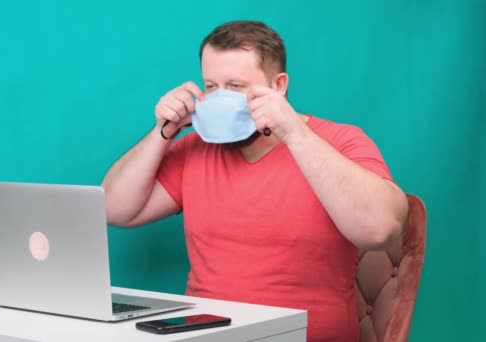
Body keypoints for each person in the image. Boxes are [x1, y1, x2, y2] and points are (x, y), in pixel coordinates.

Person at [101, 20, 408, 342]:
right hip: (206, 334)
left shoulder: (341, 141)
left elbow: (380, 229)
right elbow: (114, 209)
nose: (219, 98)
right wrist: (163, 131)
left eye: (234, 86)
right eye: (211, 87)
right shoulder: (195, 150)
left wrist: (293, 133)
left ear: (278, 86)